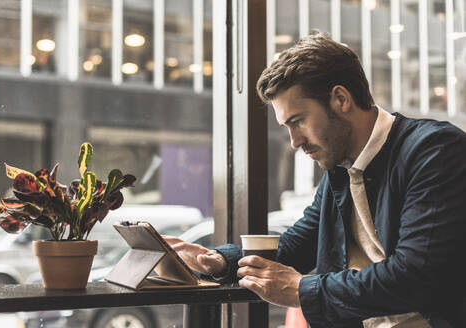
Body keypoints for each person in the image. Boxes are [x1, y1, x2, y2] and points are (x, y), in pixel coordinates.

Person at [164, 31, 466, 327]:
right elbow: (300, 243)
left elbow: (415, 275)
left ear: (340, 99)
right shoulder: (340, 168)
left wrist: (301, 289)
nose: (294, 141)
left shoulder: (434, 151)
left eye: (298, 121)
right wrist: (217, 260)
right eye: (287, 126)